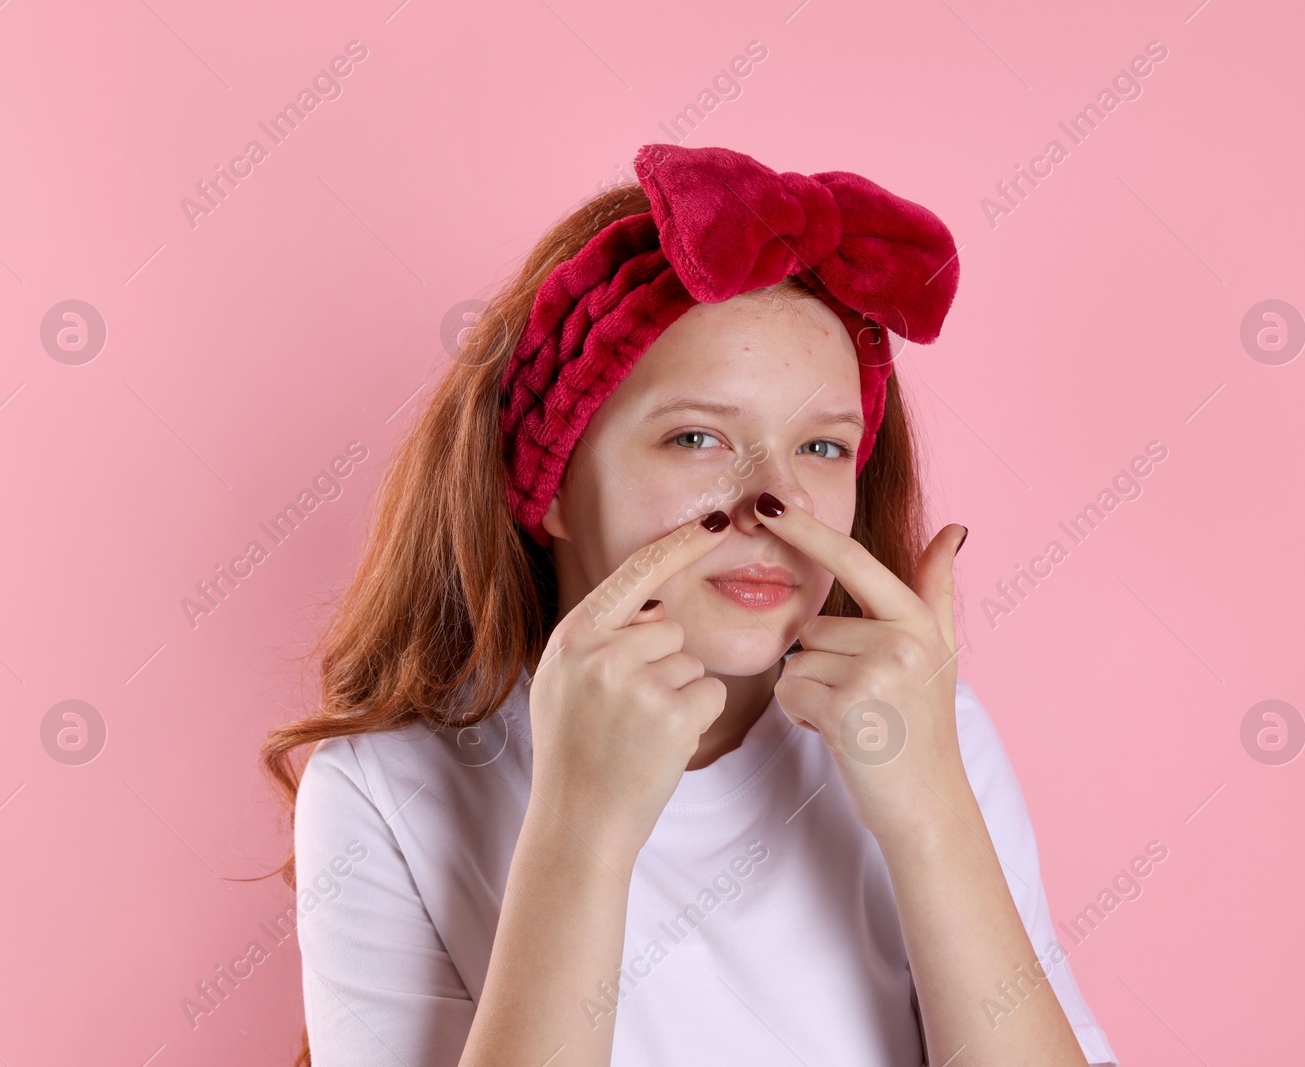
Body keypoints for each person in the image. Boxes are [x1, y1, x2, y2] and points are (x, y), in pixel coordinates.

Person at [260, 142, 1119, 1067]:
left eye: (822, 449)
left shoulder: (926, 725)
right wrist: (581, 825)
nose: (772, 508)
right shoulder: (384, 790)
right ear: (546, 478)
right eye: (698, 437)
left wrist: (931, 812)